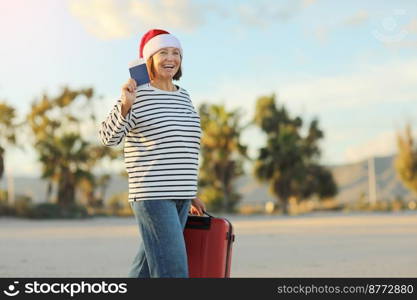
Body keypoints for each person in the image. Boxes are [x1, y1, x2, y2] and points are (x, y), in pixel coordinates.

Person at [99, 29, 206, 278]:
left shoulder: (184, 96)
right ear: (149, 60)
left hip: (180, 194)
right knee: (173, 272)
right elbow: (108, 137)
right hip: (153, 195)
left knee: (145, 270)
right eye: (163, 52)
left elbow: (184, 146)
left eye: (176, 53)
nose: (171, 58)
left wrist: (190, 193)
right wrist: (125, 105)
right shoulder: (137, 94)